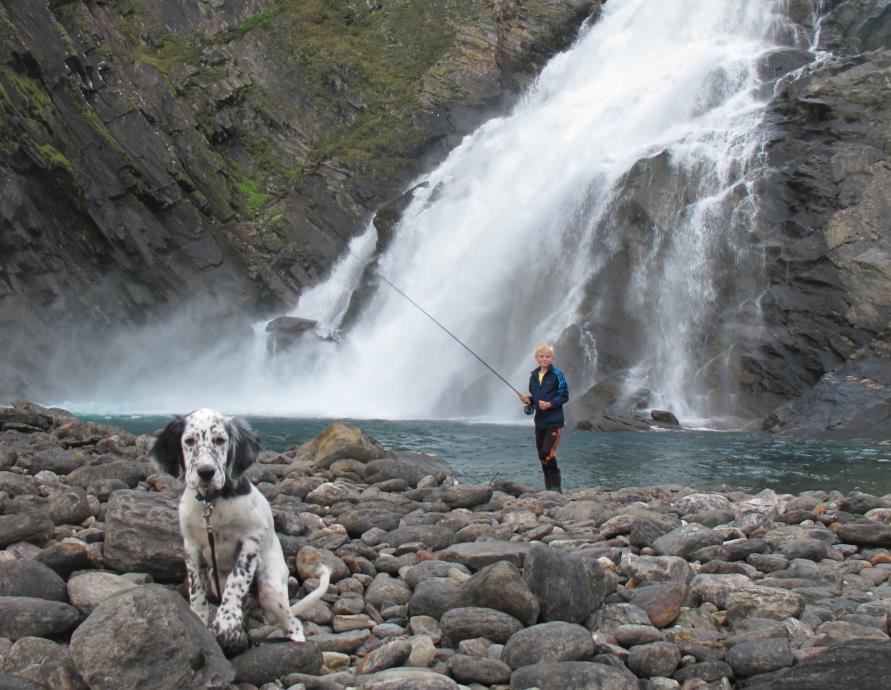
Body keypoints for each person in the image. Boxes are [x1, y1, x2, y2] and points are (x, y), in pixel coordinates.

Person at [518, 342, 569, 492]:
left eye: (547, 356)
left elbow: (564, 395)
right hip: (539, 422)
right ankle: (549, 490)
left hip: (554, 422)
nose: (544, 359)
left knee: (547, 452)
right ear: (536, 358)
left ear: (552, 359)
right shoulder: (533, 376)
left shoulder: (557, 374)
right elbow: (536, 397)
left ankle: (556, 489)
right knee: (542, 455)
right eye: (541, 356)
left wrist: (550, 404)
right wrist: (529, 400)